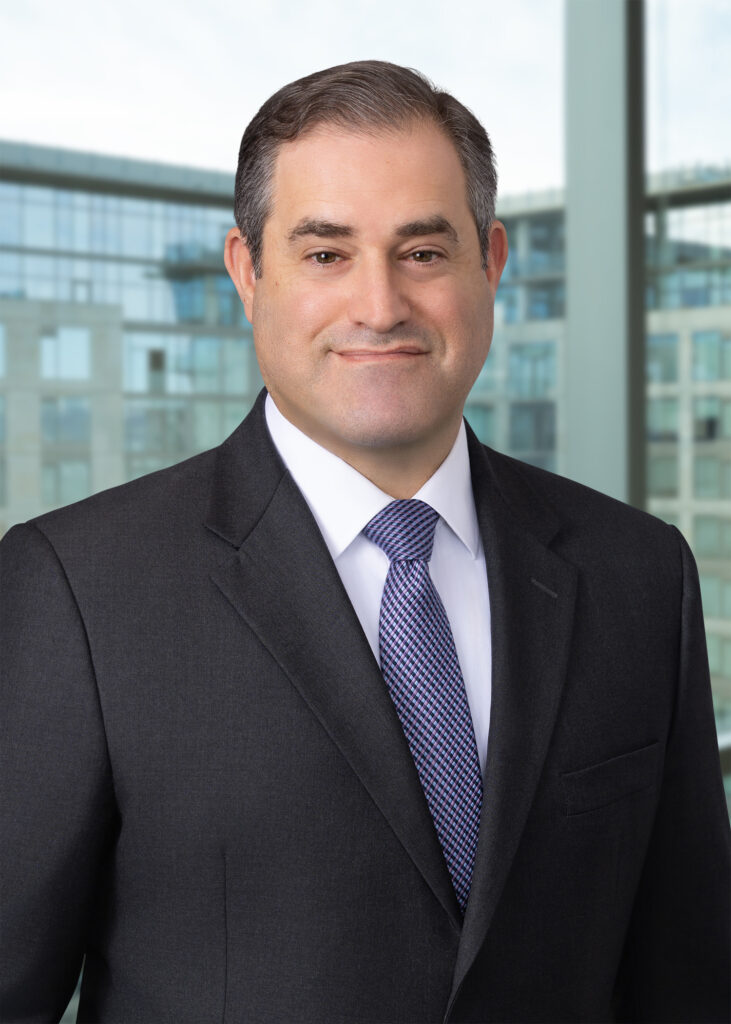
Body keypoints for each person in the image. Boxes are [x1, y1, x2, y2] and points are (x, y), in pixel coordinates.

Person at [1, 60, 729, 1024]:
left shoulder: (637, 573)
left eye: (421, 252)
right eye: (325, 255)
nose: (380, 306)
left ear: (490, 263)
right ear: (247, 273)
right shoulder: (76, 588)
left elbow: (688, 981)